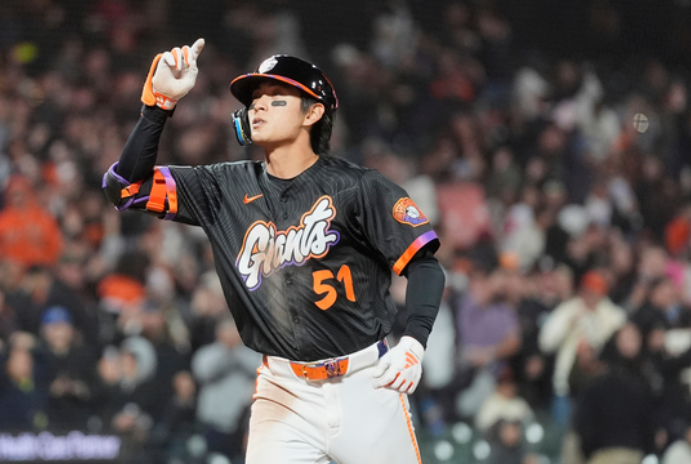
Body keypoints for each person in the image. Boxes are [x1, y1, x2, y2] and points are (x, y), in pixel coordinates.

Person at [102, 38, 445, 464]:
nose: (258, 106)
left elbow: (426, 267)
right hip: (283, 391)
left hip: (366, 383)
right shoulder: (222, 188)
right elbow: (126, 188)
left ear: (312, 113)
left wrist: (413, 342)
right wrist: (158, 106)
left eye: (276, 98)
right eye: (256, 99)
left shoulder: (359, 187)